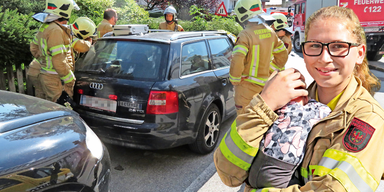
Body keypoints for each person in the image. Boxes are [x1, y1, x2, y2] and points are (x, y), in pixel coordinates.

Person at [214, 5, 384, 192]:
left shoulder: (367, 119)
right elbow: (228, 173)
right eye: (315, 46)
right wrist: (265, 104)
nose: (325, 57)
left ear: (359, 54)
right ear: (304, 53)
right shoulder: (286, 98)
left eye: (338, 46)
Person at [247, 95, 331, 189]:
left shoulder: (277, 108)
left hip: (257, 166)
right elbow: (325, 110)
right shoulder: (308, 112)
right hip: (280, 173)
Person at [229, 0, 288, 115]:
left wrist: (235, 79)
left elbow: (237, 58)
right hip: (266, 89)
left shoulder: (245, 35)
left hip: (246, 90)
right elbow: (282, 55)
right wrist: (270, 70)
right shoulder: (271, 32)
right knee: (261, 121)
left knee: (244, 122)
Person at [29, 0, 79, 103]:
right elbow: (58, 62)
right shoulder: (56, 30)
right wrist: (70, 80)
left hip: (45, 76)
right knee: (60, 109)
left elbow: (33, 48)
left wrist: (44, 60)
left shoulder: (46, 26)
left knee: (44, 106)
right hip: (55, 78)